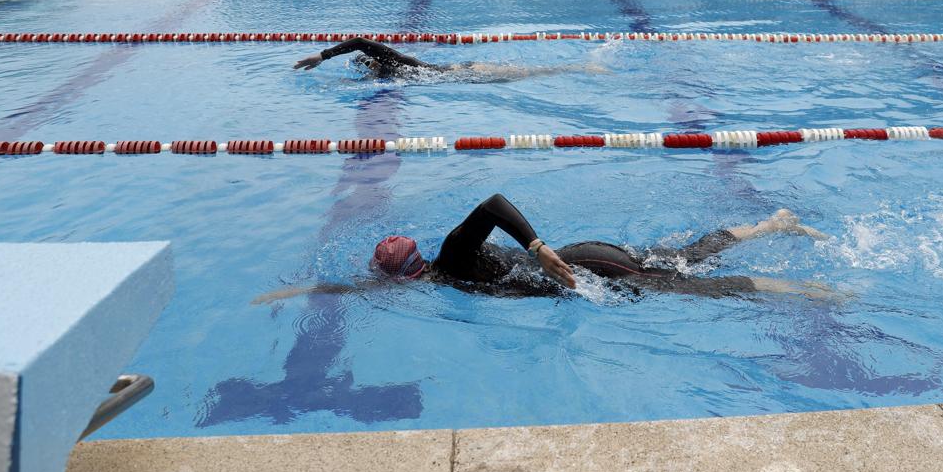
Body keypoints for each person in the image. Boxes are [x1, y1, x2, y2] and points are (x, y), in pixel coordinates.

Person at [255, 193, 837, 303]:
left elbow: (493, 203)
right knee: (683, 258)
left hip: (587, 262)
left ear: (402, 275)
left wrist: (537, 247)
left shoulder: (453, 257)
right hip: (587, 262)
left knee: (685, 286)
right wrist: (304, 287)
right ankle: (770, 225)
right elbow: (356, 288)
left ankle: (797, 290)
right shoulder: (435, 274)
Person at [293, 35, 606, 83]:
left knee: (532, 73)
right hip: (460, 76)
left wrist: (322, 55)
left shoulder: (401, 64)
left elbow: (361, 42)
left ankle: (579, 66)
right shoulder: (392, 76)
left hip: (463, 72)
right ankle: (577, 66)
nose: (373, 68)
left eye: (371, 64)